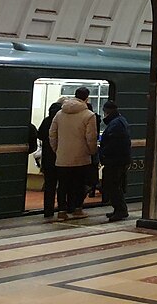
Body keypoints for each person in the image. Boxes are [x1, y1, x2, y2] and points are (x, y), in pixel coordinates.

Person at [49, 92, 98, 220]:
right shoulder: (89, 115)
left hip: (62, 157)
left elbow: (52, 134)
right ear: (87, 98)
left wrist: (57, 150)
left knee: (63, 186)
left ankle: (61, 212)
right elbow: (91, 137)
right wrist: (91, 152)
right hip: (81, 157)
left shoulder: (60, 114)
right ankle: (77, 209)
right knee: (78, 185)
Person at [99, 101, 131, 221]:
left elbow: (114, 143)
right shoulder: (119, 121)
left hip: (115, 160)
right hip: (119, 159)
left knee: (113, 185)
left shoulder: (116, 124)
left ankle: (121, 210)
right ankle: (118, 209)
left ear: (107, 111)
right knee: (115, 185)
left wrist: (103, 154)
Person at [37, 101, 63, 219]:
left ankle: (48, 210)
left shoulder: (46, 121)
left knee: (49, 186)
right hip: (62, 157)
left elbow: (40, 135)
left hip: (48, 158)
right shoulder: (62, 121)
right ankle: (62, 208)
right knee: (63, 185)